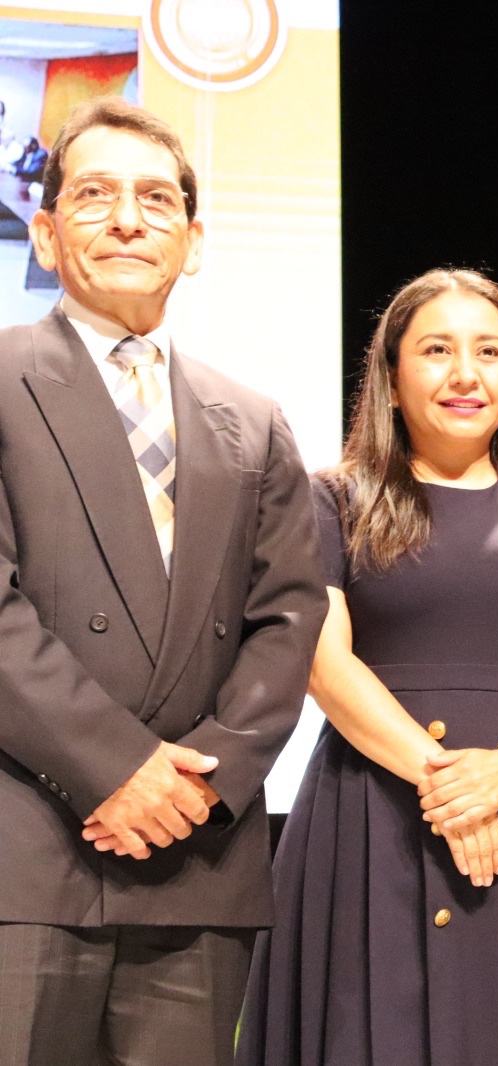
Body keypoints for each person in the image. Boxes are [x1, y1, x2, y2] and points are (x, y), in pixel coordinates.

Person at [237, 269, 498, 1064]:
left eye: (488, 352)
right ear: (390, 377)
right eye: (436, 350)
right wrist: (453, 788)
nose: (465, 374)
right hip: (375, 812)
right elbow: (324, 664)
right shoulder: (332, 500)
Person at [0, 98, 326, 1065]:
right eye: (94, 196)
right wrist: (117, 770)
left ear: (193, 240)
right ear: (46, 235)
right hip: (28, 849)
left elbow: (288, 617)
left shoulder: (252, 419)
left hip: (199, 857)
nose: (128, 220)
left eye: (155, 199)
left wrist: (197, 785)